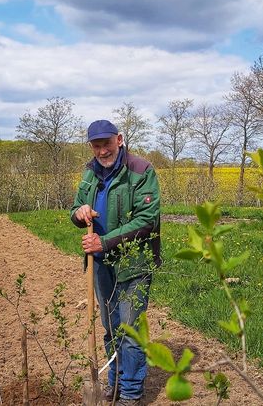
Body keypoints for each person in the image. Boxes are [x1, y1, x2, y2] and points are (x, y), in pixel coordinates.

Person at [70, 119, 161, 405]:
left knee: (130, 331)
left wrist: (106, 241)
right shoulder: (89, 173)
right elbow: (74, 209)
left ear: (119, 139)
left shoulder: (141, 170)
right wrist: (80, 213)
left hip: (132, 265)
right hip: (100, 264)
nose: (102, 151)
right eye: (96, 146)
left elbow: (147, 221)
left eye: (106, 144)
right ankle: (115, 383)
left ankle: (131, 394)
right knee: (111, 328)